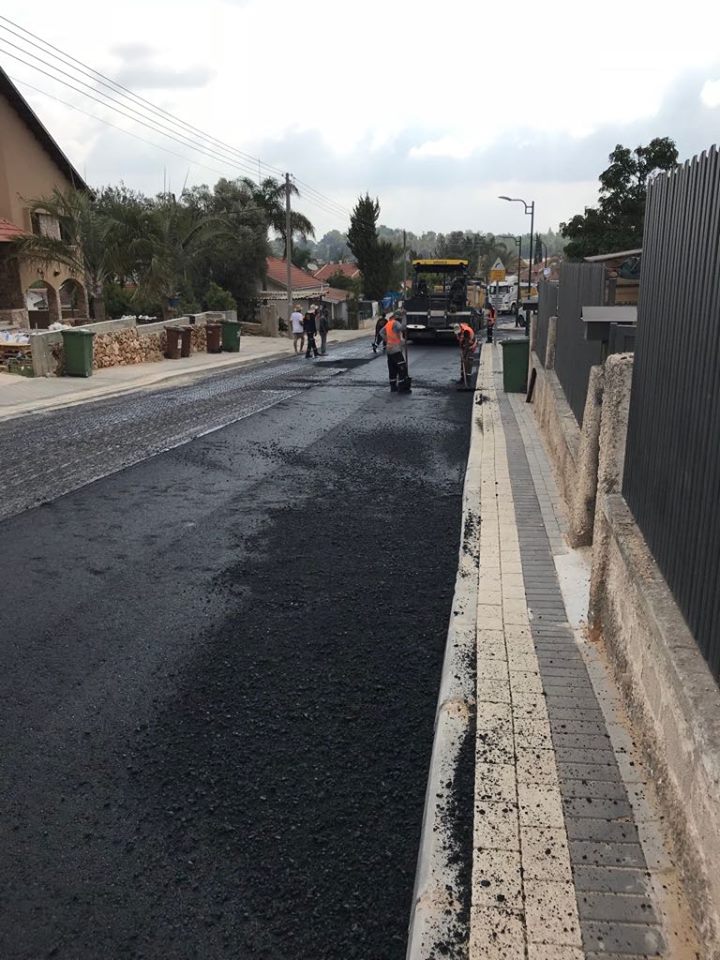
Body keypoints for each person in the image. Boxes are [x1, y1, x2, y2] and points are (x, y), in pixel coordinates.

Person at [380, 311, 410, 392]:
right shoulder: (396, 323)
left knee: (392, 368)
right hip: (396, 350)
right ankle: (402, 386)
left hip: (389, 349)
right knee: (402, 367)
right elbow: (403, 328)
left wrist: (387, 340)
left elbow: (381, 332)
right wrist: (405, 318)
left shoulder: (389, 323)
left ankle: (393, 387)